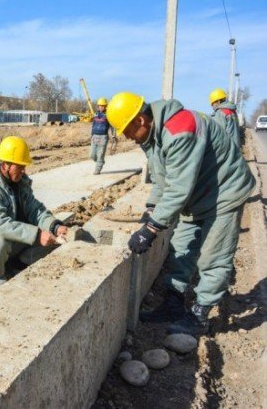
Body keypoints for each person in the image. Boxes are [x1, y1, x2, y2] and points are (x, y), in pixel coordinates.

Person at [106, 92, 255, 336]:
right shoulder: (152, 138)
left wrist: (151, 229)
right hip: (196, 197)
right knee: (180, 249)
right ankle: (173, 304)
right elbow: (162, 178)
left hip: (223, 193)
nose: (127, 137)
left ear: (140, 121)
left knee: (212, 257)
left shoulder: (180, 128)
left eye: (127, 131)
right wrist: (152, 209)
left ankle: (200, 314)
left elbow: (179, 187)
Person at [0, 136, 68, 286]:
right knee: (0, 243)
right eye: (19, 167)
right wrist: (37, 235)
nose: (23, 171)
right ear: (5, 165)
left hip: (12, 236)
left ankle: (17, 264)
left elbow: (35, 210)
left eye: (24, 167)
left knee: (48, 237)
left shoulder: (20, 183)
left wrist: (54, 227)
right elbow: (1, 225)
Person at [90, 97, 112, 175]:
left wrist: (113, 135)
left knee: (100, 154)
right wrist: (91, 134)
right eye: (100, 105)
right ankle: (101, 161)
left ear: (106, 106)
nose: (101, 107)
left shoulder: (108, 115)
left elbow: (112, 126)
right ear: (98, 106)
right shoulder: (95, 115)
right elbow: (93, 125)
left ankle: (98, 169)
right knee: (92, 155)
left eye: (103, 105)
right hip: (95, 136)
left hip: (103, 137)